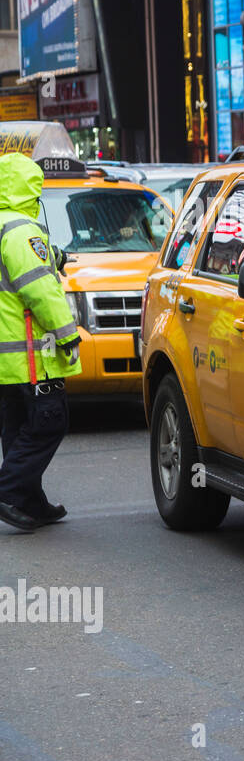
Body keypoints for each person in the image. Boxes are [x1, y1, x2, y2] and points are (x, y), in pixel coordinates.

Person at [0, 152, 82, 532]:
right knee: (50, 422)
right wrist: (67, 335)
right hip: (32, 354)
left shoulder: (5, 228)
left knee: (17, 429)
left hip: (7, 360)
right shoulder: (22, 231)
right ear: (27, 188)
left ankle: (30, 502)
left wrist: (55, 255)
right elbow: (40, 291)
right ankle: (8, 490)